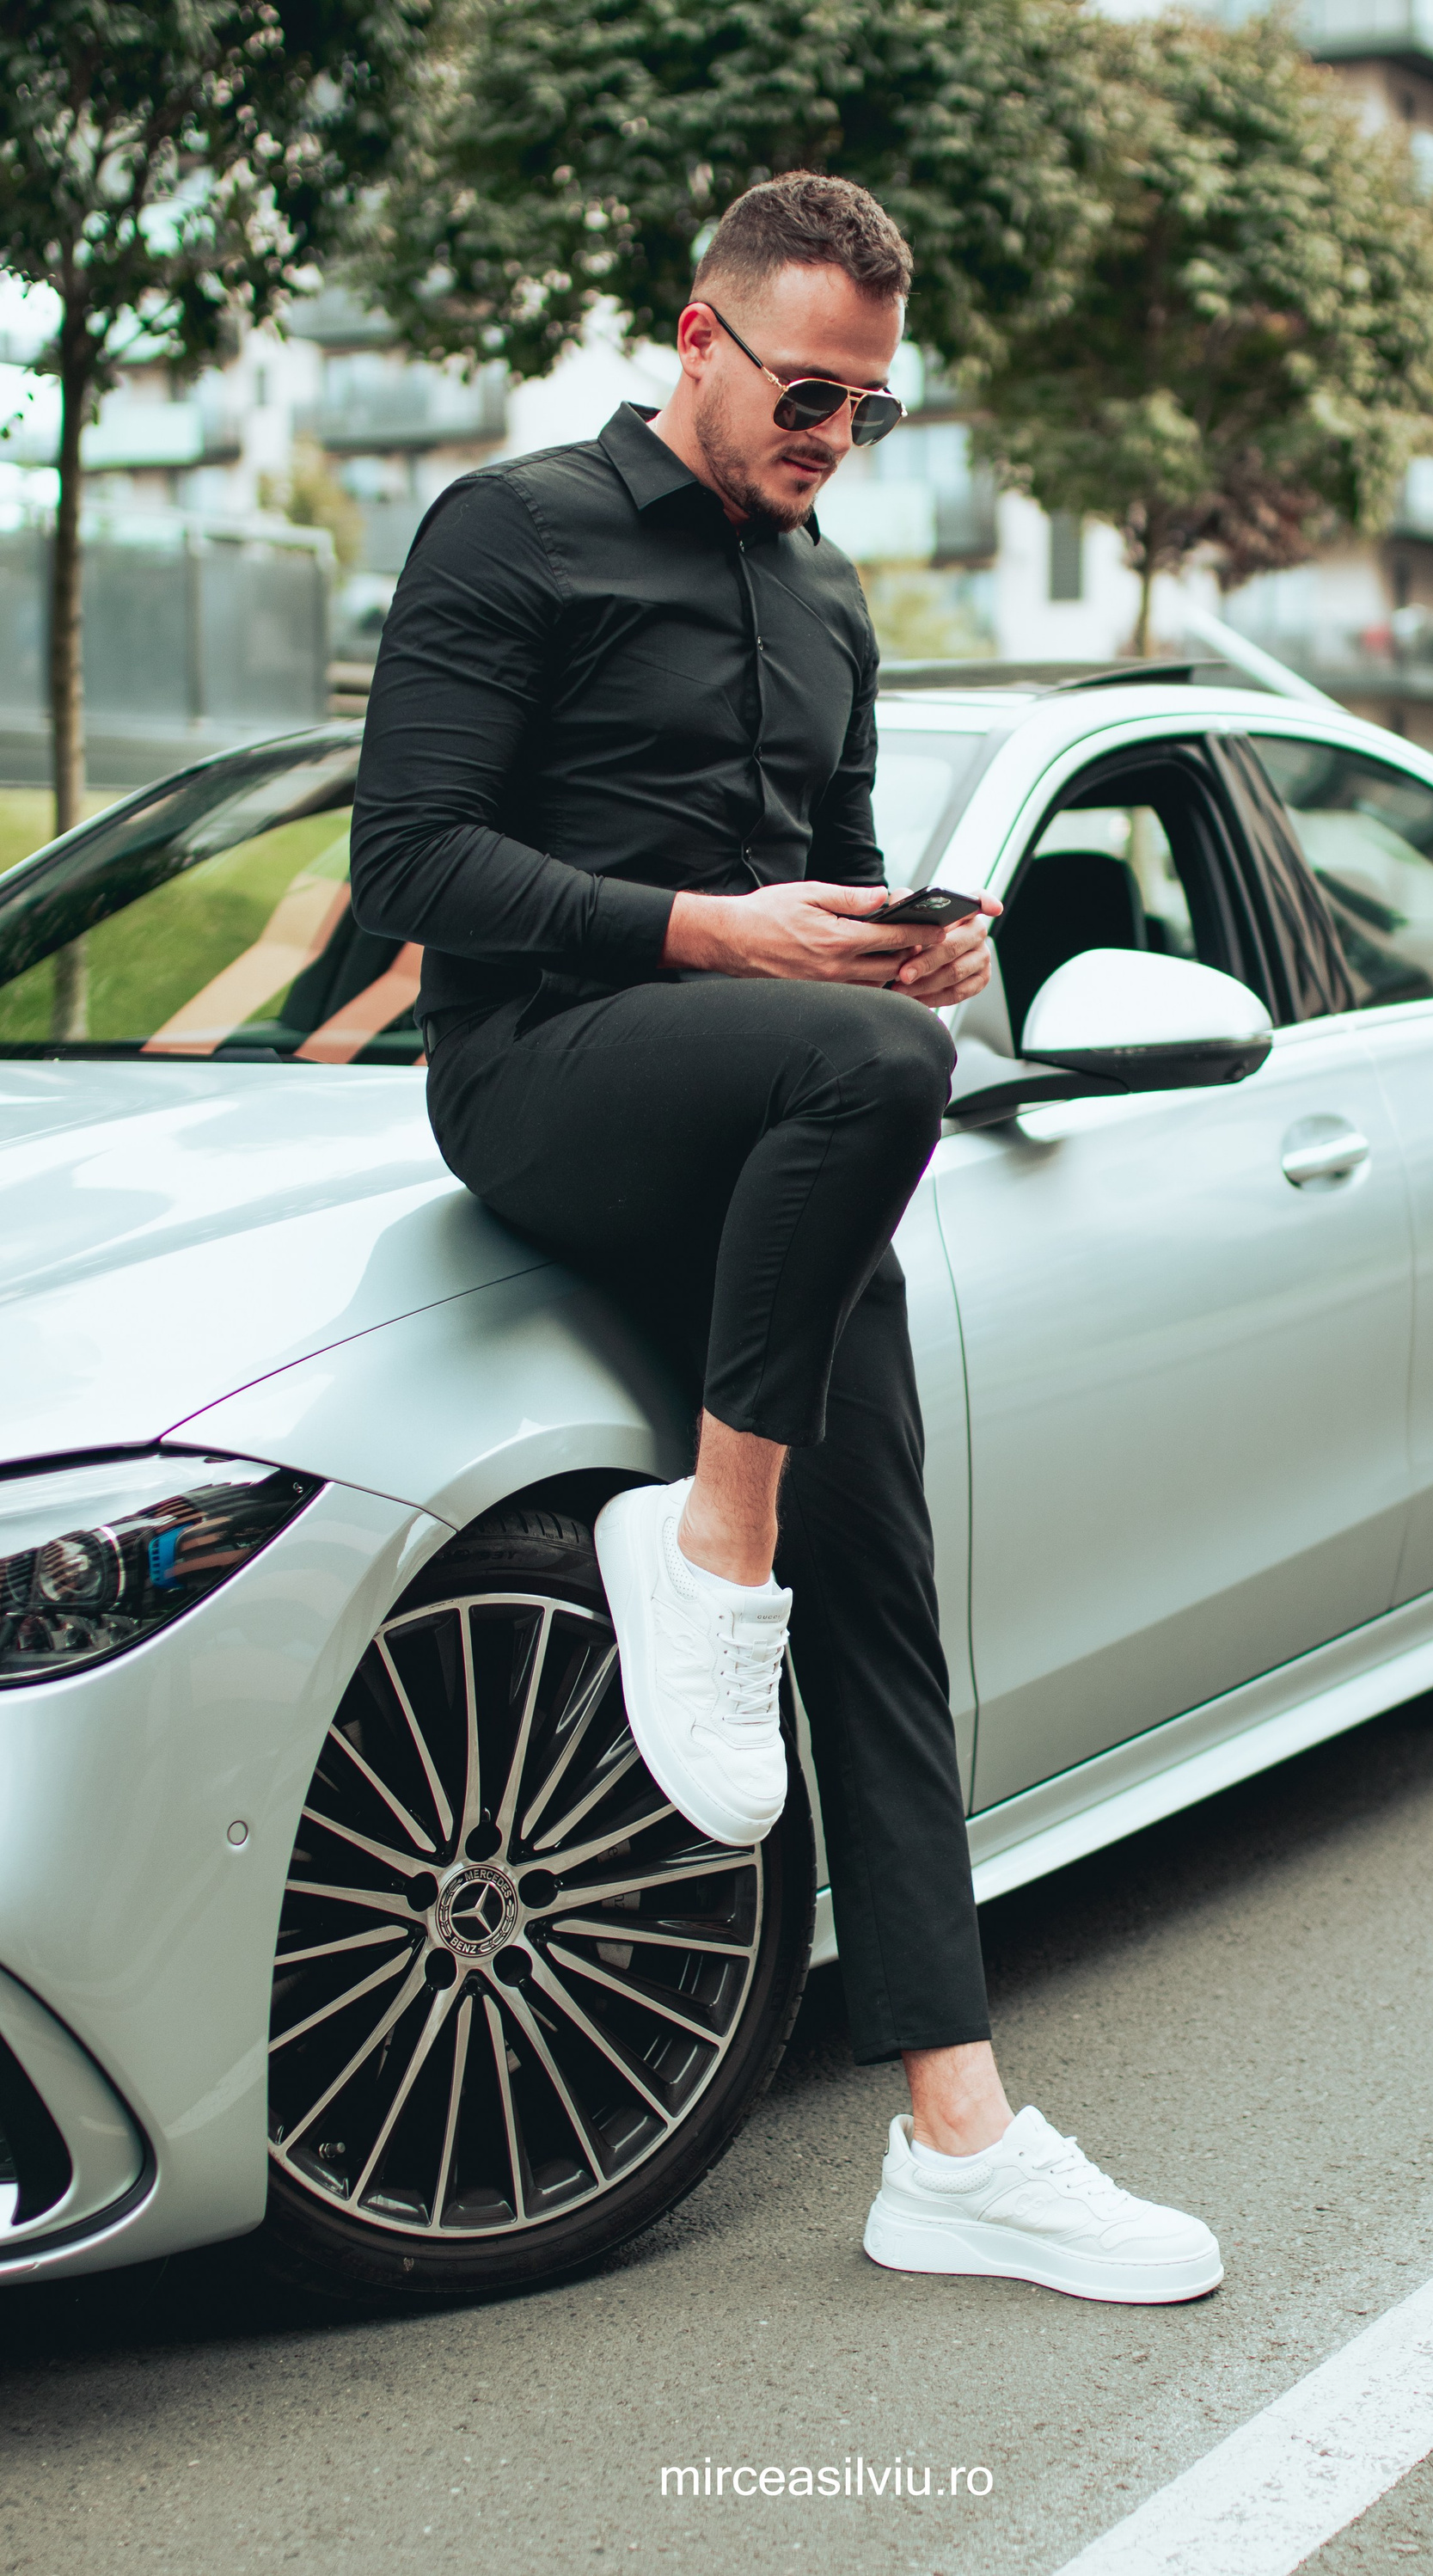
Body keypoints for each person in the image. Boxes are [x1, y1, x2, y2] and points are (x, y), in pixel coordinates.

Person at [351, 170, 1221, 2306]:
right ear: (698, 337)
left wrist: (907, 950)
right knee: (865, 1077)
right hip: (545, 1075)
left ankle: (956, 2139)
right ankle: (708, 1552)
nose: (834, 437)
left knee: (889, 1593)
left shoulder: (831, 608)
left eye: (872, 408)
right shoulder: (512, 530)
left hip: (778, 1126)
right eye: (807, 393)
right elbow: (410, 864)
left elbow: (830, 881)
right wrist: (722, 938)